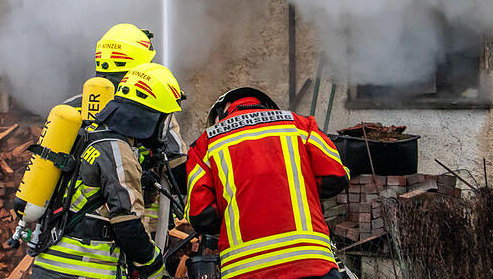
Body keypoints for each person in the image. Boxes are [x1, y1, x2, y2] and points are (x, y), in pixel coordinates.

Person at [31, 62, 184, 279]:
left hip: (46, 266)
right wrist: (155, 266)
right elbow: (127, 222)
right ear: (150, 117)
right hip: (85, 270)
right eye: (164, 118)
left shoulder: (85, 135)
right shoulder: (116, 149)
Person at [185, 87, 351, 279]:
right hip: (310, 262)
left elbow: (200, 215)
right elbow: (337, 177)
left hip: (245, 269)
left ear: (225, 108)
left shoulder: (205, 144)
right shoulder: (301, 125)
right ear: (267, 106)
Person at [65, 23, 188, 235]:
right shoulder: (152, 110)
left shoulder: (70, 109)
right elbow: (178, 170)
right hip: (136, 228)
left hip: (71, 227)